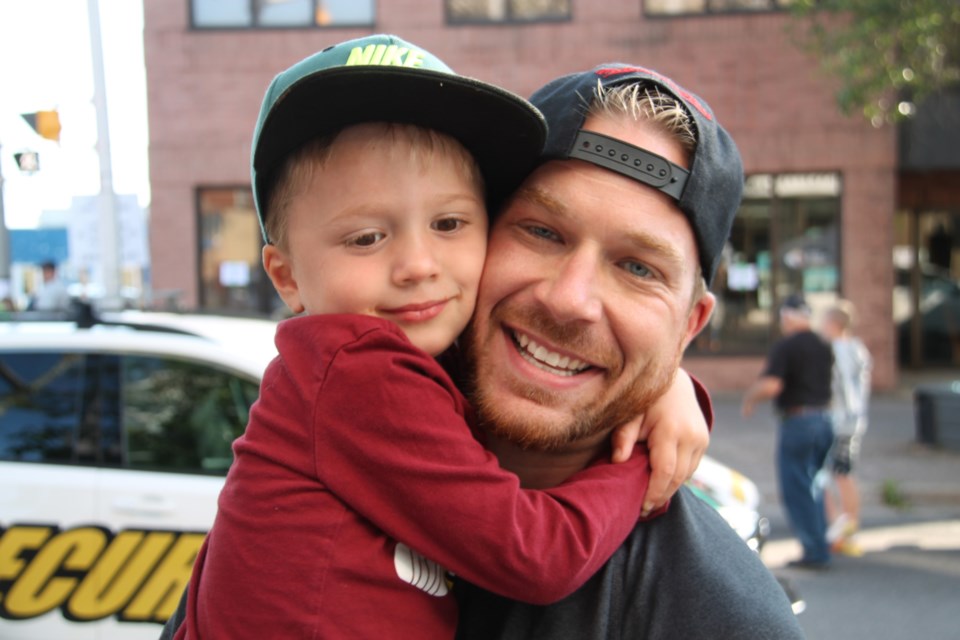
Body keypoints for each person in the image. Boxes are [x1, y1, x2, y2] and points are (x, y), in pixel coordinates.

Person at [170, 35, 712, 639]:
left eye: (449, 223)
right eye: (366, 238)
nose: (419, 265)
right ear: (287, 276)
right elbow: (537, 553)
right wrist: (642, 462)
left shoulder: (718, 612)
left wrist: (663, 382)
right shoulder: (359, 373)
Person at [452, 64, 804, 639]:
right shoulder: (321, 447)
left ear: (690, 327)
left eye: (638, 268)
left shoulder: (722, 622)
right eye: (542, 231)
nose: (570, 300)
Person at [743, 293, 835, 569]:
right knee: (815, 485)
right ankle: (820, 544)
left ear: (787, 317)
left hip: (799, 422)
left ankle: (814, 551)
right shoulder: (822, 344)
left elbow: (772, 385)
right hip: (823, 419)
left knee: (798, 488)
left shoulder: (788, 346)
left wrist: (750, 398)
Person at [822, 299, 872, 555]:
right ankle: (845, 526)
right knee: (842, 472)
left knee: (834, 474)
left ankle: (840, 527)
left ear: (833, 323)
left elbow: (842, 390)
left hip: (840, 421)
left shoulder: (837, 350)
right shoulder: (858, 348)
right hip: (855, 421)